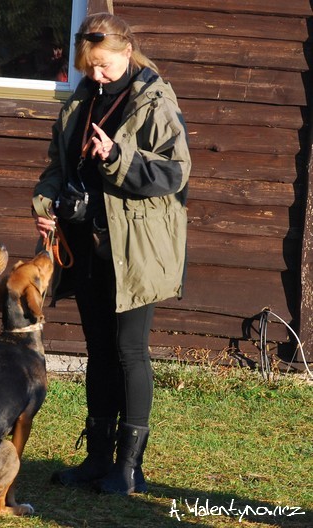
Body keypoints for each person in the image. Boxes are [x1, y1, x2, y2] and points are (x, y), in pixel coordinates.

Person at [32, 13, 190, 495]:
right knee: (98, 351)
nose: (96, 75)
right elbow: (60, 165)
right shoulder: (83, 98)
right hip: (86, 245)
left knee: (128, 351)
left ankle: (129, 468)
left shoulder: (155, 100)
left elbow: (175, 173)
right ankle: (98, 459)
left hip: (135, 247)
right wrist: (45, 201)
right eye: (88, 67)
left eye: (103, 66)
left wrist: (119, 159)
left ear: (126, 52)